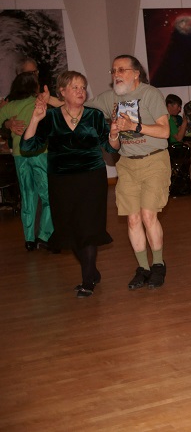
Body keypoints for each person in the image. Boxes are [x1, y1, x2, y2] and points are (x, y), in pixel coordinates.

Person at [21, 71, 120, 297]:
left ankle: (87, 280)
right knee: (71, 230)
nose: (80, 91)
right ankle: (91, 270)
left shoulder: (94, 116)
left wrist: (114, 134)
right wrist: (35, 118)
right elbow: (27, 147)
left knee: (88, 228)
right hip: (61, 181)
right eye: (75, 87)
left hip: (91, 179)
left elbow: (112, 148)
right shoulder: (51, 117)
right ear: (62, 91)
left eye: (83, 87)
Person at [84, 55, 171, 290]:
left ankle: (158, 265)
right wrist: (51, 100)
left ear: (136, 73)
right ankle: (143, 268)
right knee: (132, 219)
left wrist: (134, 126)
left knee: (148, 215)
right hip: (127, 165)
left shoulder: (150, 94)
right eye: (113, 70)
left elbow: (164, 132)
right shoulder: (109, 98)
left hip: (154, 161)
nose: (116, 74)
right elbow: (77, 105)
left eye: (122, 69)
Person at [0, 71, 54, 251]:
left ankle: (29, 239)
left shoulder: (11, 106)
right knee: (48, 196)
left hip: (19, 155)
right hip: (39, 153)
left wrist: (7, 123)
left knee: (27, 195)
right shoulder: (39, 103)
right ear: (35, 87)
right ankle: (44, 235)